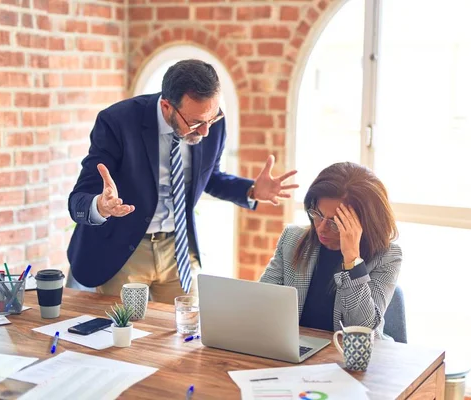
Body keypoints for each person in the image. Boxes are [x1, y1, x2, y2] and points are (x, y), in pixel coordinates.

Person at [68, 59, 298, 304]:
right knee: (125, 336)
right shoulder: (117, 121)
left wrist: (251, 190)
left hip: (177, 250)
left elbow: (209, 178)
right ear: (167, 107)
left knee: (186, 335)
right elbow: (79, 198)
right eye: (196, 123)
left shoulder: (210, 122)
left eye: (212, 119)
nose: (206, 131)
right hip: (124, 252)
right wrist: (100, 206)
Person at [259, 162, 401, 339]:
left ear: (365, 223)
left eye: (335, 222)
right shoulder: (292, 239)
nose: (321, 228)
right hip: (296, 350)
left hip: (353, 358)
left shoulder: (387, 257)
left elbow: (363, 328)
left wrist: (352, 259)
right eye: (317, 214)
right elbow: (262, 302)